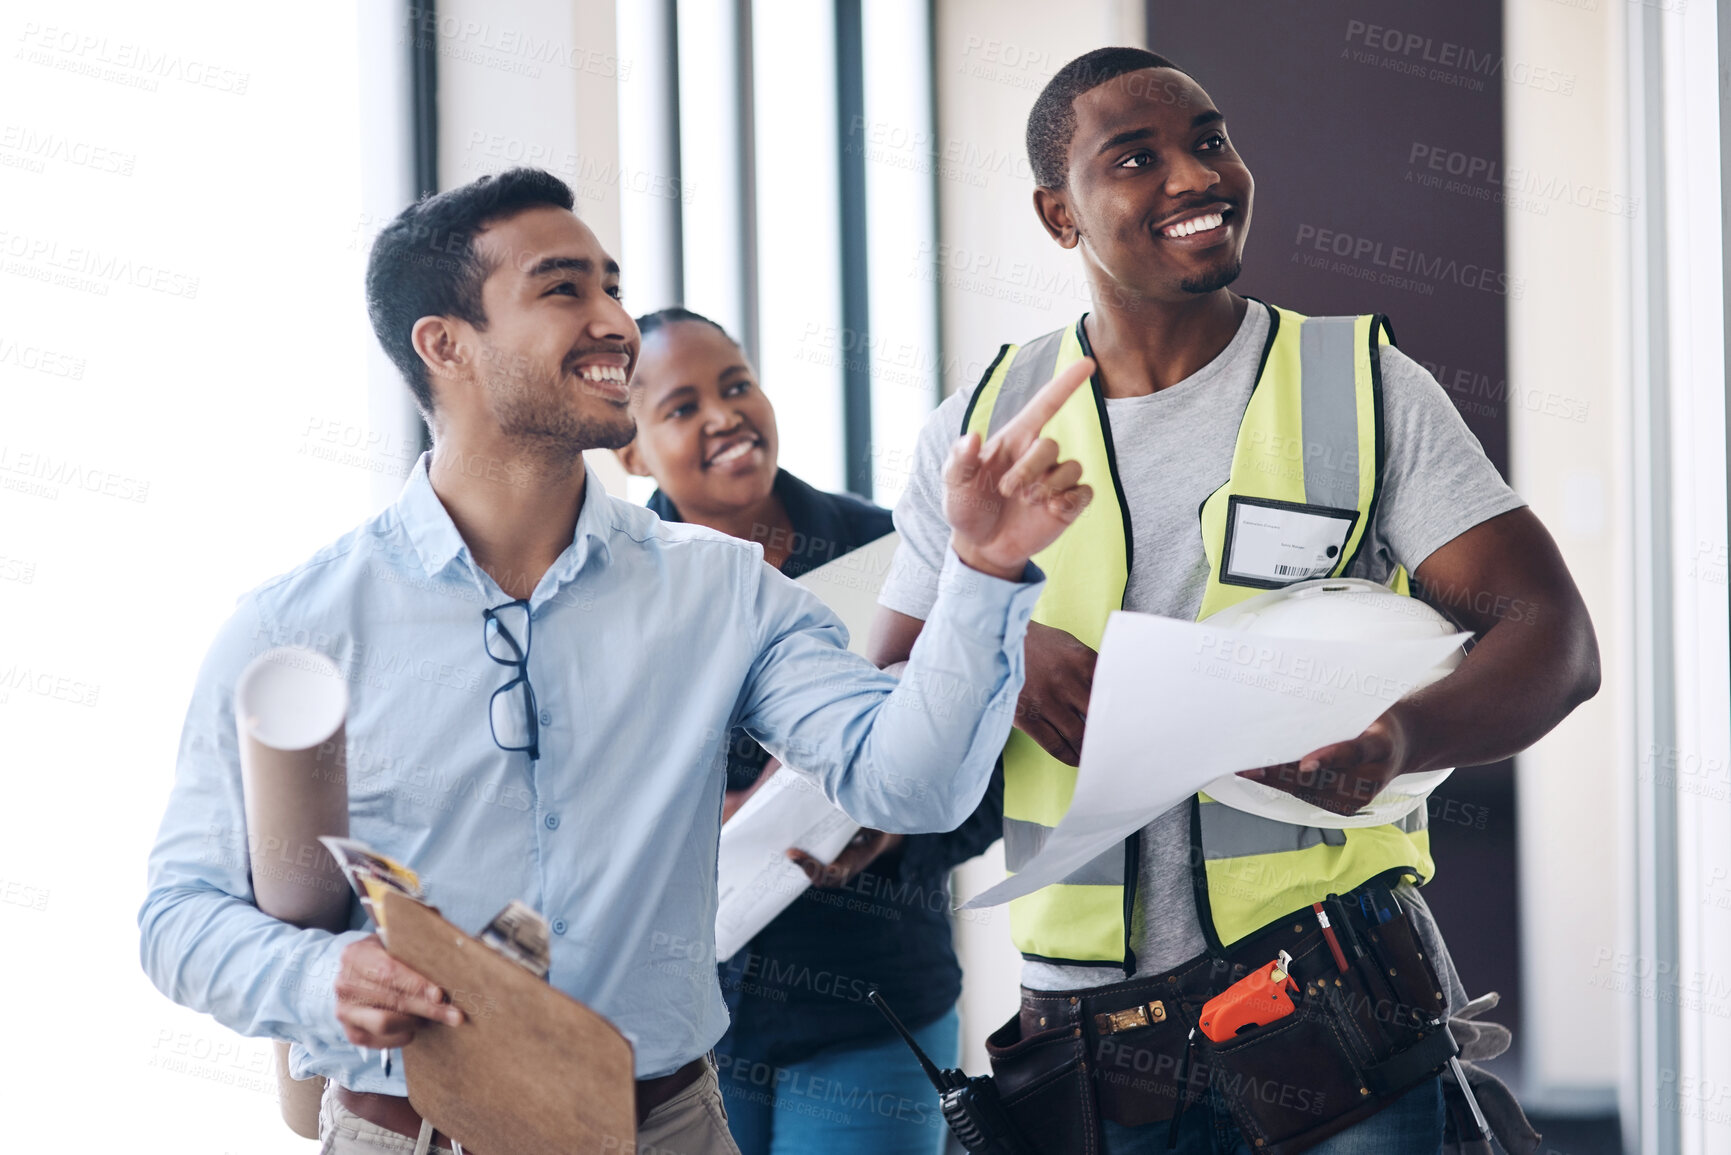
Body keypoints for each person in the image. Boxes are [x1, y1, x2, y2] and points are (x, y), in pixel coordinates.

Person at [137, 167, 1097, 1155]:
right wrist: (319, 980)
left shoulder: (722, 591)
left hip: (667, 1128)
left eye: (612, 286)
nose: (613, 321)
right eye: (563, 289)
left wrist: (981, 570)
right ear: (446, 345)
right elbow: (177, 918)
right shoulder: (294, 625)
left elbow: (914, 788)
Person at [867, 48, 1600, 1155]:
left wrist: (1397, 738)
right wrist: (1003, 654)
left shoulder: (1361, 387)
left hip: (1338, 1016)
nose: (1195, 176)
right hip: (1091, 1050)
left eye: (1210, 140)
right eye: (1136, 158)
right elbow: (881, 708)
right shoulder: (980, 425)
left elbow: (1554, 640)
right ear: (1058, 215)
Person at [613, 306, 1000, 1154]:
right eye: (680, 407)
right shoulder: (612, 589)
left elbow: (989, 770)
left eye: (737, 384)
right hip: (688, 1021)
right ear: (632, 450)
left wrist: (892, 830)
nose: (723, 415)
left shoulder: (888, 553)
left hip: (872, 1000)